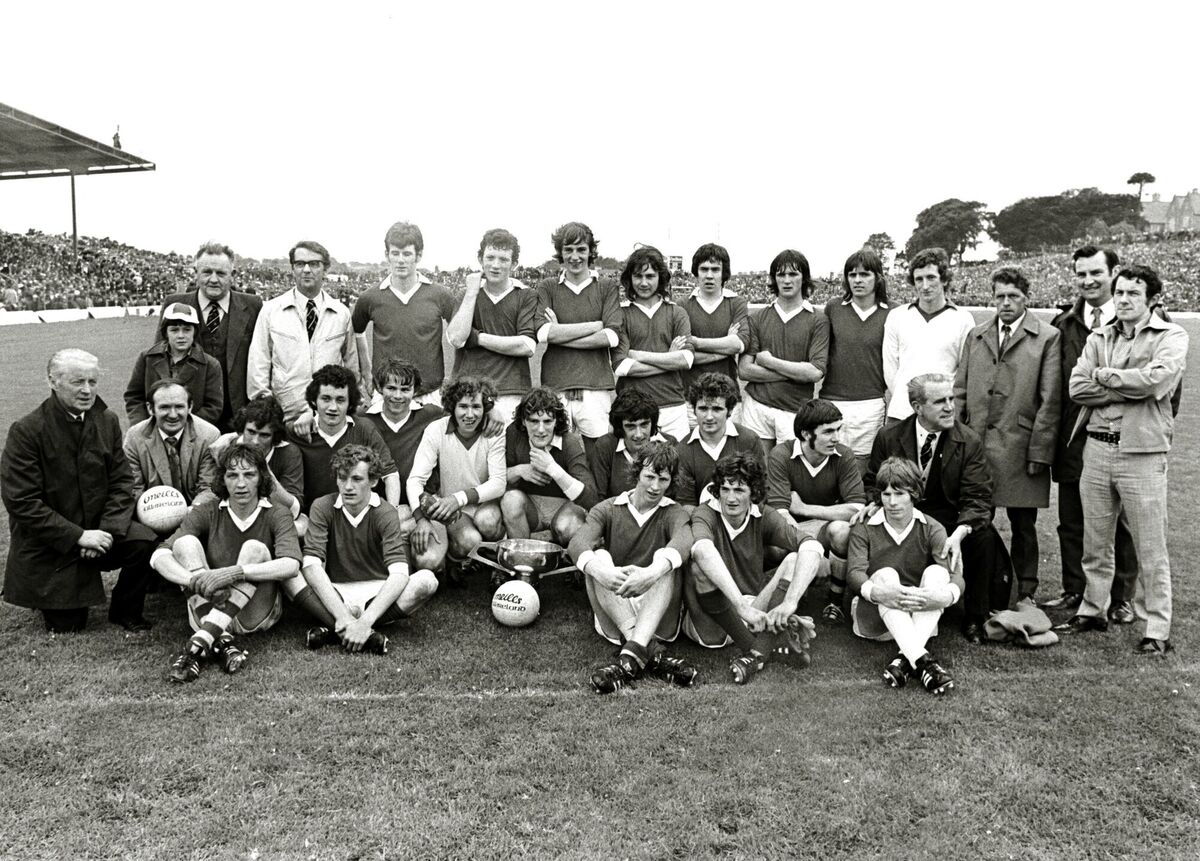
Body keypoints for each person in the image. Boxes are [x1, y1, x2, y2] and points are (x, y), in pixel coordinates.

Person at [1055, 265, 1187, 655]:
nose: (1124, 300)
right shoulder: (1100, 335)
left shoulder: (1171, 336)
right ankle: (1093, 610)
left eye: (1133, 293)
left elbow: (1157, 382)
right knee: (1095, 542)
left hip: (1142, 452)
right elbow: (1077, 387)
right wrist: (1129, 385)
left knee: (1150, 546)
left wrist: (1107, 376)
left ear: (1153, 300)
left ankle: (1157, 629)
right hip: (1096, 448)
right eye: (1120, 293)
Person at [2, 349, 158, 632]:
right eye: (78, 382)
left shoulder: (107, 420)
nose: (87, 390)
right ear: (53, 381)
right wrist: (78, 536)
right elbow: (22, 502)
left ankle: (125, 610)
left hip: (99, 529)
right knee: (69, 626)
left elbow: (122, 483)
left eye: (92, 382)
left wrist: (106, 531)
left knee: (143, 541)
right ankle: (50, 594)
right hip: (52, 543)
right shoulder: (27, 430)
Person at [863, 373, 1008, 644]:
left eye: (951, 399)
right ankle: (882, 600)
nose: (950, 407)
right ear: (917, 407)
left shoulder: (969, 440)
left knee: (983, 536)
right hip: (904, 516)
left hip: (950, 517)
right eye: (940, 401)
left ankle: (975, 616)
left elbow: (978, 497)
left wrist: (960, 533)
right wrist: (875, 502)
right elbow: (873, 481)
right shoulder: (889, 436)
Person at [150, 443, 302, 682]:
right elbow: (159, 556)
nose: (241, 484)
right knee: (184, 543)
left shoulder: (276, 512)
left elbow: (291, 565)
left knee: (254, 549)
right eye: (232, 475)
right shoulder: (208, 510)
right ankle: (218, 640)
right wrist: (196, 580)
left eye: (249, 475)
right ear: (222, 478)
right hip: (209, 603)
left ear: (261, 477)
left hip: (255, 613)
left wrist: (232, 573)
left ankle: (197, 646)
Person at [954, 267, 1061, 605]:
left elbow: (1050, 399)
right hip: (976, 445)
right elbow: (959, 390)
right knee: (973, 521)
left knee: (1023, 524)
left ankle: (1026, 591)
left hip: (1021, 447)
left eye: (1013, 296)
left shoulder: (1047, 337)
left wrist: (1040, 452)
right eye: (1000, 296)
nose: (1005, 303)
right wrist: (956, 439)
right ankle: (974, 588)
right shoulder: (977, 335)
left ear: (1027, 298)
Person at [1045, 246, 1137, 618]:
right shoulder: (1063, 324)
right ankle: (1074, 590)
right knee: (1072, 521)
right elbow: (1057, 388)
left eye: (1096, 272)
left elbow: (1164, 389)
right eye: (1081, 274)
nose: (1088, 281)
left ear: (1114, 272)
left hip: (1122, 438)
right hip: (1073, 439)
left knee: (1121, 522)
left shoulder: (1138, 319)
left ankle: (1122, 597)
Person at [568, 441, 698, 694]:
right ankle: (646, 650)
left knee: (665, 560)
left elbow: (684, 540)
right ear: (637, 472)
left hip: (659, 613)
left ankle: (630, 657)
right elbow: (577, 543)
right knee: (598, 557)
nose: (655, 486)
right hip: (616, 605)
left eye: (663, 479)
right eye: (649, 477)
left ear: (671, 482)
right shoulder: (608, 508)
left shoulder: (674, 512)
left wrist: (650, 574)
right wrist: (603, 572)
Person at [686, 452, 825, 684]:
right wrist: (741, 606)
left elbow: (812, 545)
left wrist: (790, 602)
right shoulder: (705, 512)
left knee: (794, 559)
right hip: (710, 624)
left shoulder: (763, 514)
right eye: (725, 489)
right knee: (700, 565)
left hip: (752, 614)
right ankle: (768, 644)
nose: (731, 498)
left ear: (754, 492)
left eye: (739, 490)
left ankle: (756, 655)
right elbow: (701, 550)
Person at [291, 445, 439, 654]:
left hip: (376, 593)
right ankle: (361, 632)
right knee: (290, 572)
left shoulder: (385, 512)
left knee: (427, 580)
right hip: (337, 592)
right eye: (342, 478)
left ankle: (340, 631)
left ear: (373, 481)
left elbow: (399, 573)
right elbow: (312, 565)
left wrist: (366, 620)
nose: (348, 487)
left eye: (357, 479)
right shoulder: (322, 506)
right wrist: (342, 615)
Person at [847, 457, 960, 695]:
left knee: (938, 572)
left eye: (899, 494)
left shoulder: (931, 527)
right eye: (886, 494)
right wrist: (879, 593)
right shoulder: (864, 526)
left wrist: (946, 597)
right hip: (876, 618)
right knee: (886, 574)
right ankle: (925, 662)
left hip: (919, 619)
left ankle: (907, 660)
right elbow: (854, 573)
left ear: (914, 494)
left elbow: (955, 575)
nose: (892, 502)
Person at [767, 399, 866, 623]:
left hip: (823, 527)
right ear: (805, 434)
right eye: (828, 432)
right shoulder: (781, 455)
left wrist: (805, 508)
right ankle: (790, 593)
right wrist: (812, 550)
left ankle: (835, 600)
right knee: (775, 548)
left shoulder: (844, 455)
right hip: (792, 529)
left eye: (838, 429)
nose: (836, 438)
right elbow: (780, 513)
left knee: (842, 530)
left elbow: (857, 508)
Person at [247, 240, 361, 435]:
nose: (306, 270)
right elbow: (258, 365)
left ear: (325, 269)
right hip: (284, 418)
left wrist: (344, 407)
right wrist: (269, 413)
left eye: (314, 264)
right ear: (293, 269)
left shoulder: (341, 313)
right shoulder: (271, 311)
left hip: (329, 418)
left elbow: (351, 367)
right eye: (300, 264)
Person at [535, 222, 622, 458]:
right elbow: (543, 334)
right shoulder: (547, 287)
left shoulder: (606, 286)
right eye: (569, 250)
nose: (575, 257)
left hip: (595, 386)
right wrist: (595, 326)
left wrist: (560, 333)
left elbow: (611, 337)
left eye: (581, 249)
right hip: (556, 384)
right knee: (553, 456)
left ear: (591, 251)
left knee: (599, 456)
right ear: (560, 252)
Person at [406, 376, 506, 576]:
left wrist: (458, 498)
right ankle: (454, 559)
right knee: (469, 541)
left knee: (488, 521)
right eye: (463, 406)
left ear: (485, 408)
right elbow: (415, 479)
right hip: (451, 509)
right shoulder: (436, 429)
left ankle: (498, 560)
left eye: (476, 407)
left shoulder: (493, 431)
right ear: (452, 406)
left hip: (483, 505)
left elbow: (498, 483)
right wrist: (420, 518)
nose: (470, 414)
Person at [158, 242, 263, 432]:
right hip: (189, 414)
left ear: (233, 274)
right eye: (207, 272)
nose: (213, 279)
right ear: (195, 273)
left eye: (221, 273)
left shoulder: (253, 305)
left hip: (238, 415)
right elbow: (159, 359)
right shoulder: (174, 303)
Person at [352, 221, 457, 406]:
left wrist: (454, 377)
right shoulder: (370, 297)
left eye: (407, 254)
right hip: (386, 394)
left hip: (429, 395)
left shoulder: (440, 295)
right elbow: (356, 332)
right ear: (387, 255)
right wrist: (366, 371)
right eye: (395, 253)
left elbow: (461, 337)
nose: (400, 260)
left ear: (419, 255)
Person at [739, 249, 830, 455]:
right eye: (781, 274)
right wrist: (795, 373)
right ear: (773, 279)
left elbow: (814, 372)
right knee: (756, 468)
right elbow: (744, 370)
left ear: (804, 278)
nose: (787, 280)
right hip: (757, 406)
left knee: (788, 470)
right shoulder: (758, 317)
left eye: (793, 274)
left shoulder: (818, 320)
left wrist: (769, 362)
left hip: (795, 411)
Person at [447, 228, 539, 424]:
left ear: (514, 264)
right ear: (480, 259)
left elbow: (526, 346)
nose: (495, 265)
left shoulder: (525, 295)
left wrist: (477, 338)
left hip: (511, 392)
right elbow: (456, 338)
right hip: (468, 392)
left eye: (503, 259)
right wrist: (472, 292)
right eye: (490, 257)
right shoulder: (466, 294)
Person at [288, 365, 400, 518]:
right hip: (314, 517)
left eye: (340, 400)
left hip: (359, 516)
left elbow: (390, 473)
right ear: (314, 401)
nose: (333, 407)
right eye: (326, 399)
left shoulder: (363, 429)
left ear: (350, 403)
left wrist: (392, 513)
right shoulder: (297, 432)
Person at [883, 247, 975, 424]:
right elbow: (890, 370)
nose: (925, 286)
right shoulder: (897, 316)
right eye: (919, 279)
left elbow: (964, 373)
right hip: (902, 413)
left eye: (931, 277)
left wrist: (940, 404)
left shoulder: (963, 319)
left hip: (943, 414)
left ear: (944, 279)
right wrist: (911, 402)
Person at [822, 248, 892, 476]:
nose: (858, 280)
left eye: (865, 274)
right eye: (852, 275)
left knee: (859, 473)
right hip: (832, 399)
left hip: (870, 402)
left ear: (878, 277)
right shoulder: (834, 308)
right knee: (829, 466)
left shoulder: (893, 312)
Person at [613, 245, 694, 441]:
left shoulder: (677, 313)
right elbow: (622, 367)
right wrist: (669, 359)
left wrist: (638, 355)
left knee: (676, 459)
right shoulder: (621, 314)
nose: (643, 282)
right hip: (632, 410)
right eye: (638, 276)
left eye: (650, 276)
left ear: (661, 277)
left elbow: (686, 360)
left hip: (673, 406)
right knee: (634, 460)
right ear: (629, 278)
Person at [501, 387, 596, 550]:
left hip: (564, 507)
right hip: (531, 507)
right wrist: (519, 470)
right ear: (523, 421)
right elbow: (496, 479)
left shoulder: (568, 442)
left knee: (567, 527)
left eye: (547, 421)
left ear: (556, 421)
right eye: (533, 421)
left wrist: (553, 469)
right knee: (510, 500)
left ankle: (565, 555)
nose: (540, 430)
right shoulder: (514, 434)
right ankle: (522, 556)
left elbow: (591, 499)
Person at [204, 394, 305, 526]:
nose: (255, 441)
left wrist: (264, 470)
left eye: (264, 435)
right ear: (242, 429)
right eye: (251, 432)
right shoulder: (224, 447)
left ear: (275, 437)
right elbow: (214, 494)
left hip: (273, 519)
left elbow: (294, 509)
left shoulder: (289, 453)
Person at [672, 372, 762, 508]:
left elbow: (759, 492)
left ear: (729, 411)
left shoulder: (749, 440)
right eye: (703, 409)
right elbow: (687, 504)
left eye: (717, 409)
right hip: (701, 518)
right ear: (694, 410)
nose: (709, 417)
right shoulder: (683, 450)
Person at [680, 243, 749, 418]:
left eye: (715, 269)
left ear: (724, 272)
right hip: (690, 399)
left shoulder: (737, 303)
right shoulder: (682, 305)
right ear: (696, 272)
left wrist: (696, 342)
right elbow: (683, 356)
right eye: (704, 269)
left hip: (728, 398)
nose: (709, 275)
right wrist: (724, 348)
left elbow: (738, 344)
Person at [126, 302, 223, 426]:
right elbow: (134, 397)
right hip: (152, 431)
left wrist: (182, 428)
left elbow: (213, 407)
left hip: (192, 431)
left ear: (195, 332)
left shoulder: (210, 365)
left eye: (187, 330)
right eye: (174, 330)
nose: (181, 336)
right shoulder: (147, 358)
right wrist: (143, 426)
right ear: (165, 333)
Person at [123, 379, 220, 503]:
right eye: (164, 407)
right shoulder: (134, 438)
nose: (173, 415)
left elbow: (209, 488)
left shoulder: (209, 436)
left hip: (196, 509)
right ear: (150, 408)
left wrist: (192, 512)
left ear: (190, 407)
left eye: (179, 407)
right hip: (151, 509)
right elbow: (134, 489)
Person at [588, 388, 674, 500]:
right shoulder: (605, 446)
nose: (638, 434)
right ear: (620, 427)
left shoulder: (669, 444)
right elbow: (597, 496)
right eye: (630, 426)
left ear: (652, 423)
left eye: (644, 425)